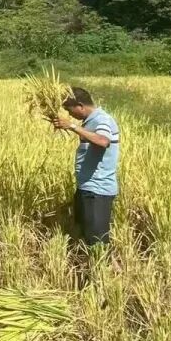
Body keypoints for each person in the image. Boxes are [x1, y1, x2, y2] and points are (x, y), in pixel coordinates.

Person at [52, 87, 120, 248]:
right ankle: (97, 268)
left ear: (80, 105)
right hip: (87, 188)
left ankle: (105, 271)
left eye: (70, 110)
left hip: (98, 190)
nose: (70, 115)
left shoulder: (102, 120)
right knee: (85, 236)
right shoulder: (91, 121)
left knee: (97, 242)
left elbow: (103, 141)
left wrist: (73, 127)